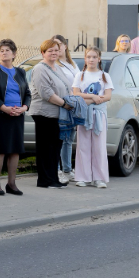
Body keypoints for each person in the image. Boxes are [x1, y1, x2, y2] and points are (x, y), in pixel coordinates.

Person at [0, 39, 30, 196]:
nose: (4, 53)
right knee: (0, 150)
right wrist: (4, 108)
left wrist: (24, 108)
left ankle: (12, 184)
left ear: (14, 53)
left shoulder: (21, 72)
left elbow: (28, 94)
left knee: (15, 150)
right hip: (1, 115)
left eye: (7, 50)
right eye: (1, 51)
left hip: (18, 115)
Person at [30, 39, 73, 189]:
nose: (54, 53)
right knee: (46, 148)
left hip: (58, 114)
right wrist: (65, 104)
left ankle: (53, 178)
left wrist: (72, 101)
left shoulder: (57, 67)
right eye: (50, 51)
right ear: (43, 53)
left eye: (56, 50)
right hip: (44, 113)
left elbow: (67, 87)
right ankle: (44, 180)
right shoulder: (40, 69)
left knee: (55, 147)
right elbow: (46, 93)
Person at [70, 47, 113, 187]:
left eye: (94, 57)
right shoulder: (80, 75)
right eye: (89, 57)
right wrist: (93, 96)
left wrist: (94, 99)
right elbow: (76, 93)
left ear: (99, 59)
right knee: (83, 145)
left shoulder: (104, 76)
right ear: (85, 59)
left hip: (99, 114)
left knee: (99, 145)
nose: (91, 59)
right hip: (84, 114)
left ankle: (99, 178)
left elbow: (108, 96)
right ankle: (82, 177)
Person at [52, 35, 79, 184]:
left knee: (69, 139)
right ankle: (56, 169)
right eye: (54, 45)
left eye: (59, 44)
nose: (57, 47)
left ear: (65, 46)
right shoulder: (54, 65)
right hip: (60, 104)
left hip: (73, 105)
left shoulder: (72, 63)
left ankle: (67, 169)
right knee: (59, 139)